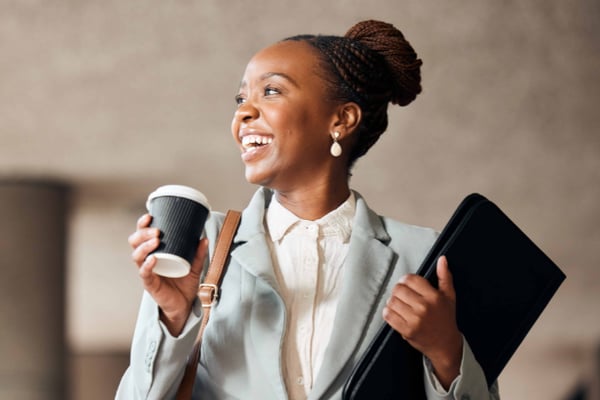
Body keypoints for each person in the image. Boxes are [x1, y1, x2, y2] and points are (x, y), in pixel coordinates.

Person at [116, 19, 501, 400]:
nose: (243, 113)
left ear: (342, 119)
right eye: (240, 99)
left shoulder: (426, 258)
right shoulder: (205, 245)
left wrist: (447, 354)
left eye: (270, 91)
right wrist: (171, 318)